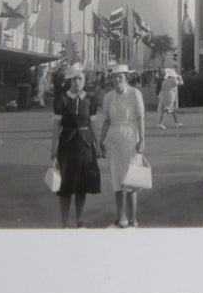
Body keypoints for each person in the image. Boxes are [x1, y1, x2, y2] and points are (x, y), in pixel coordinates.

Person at [50, 62, 101, 228]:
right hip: (67, 145)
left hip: (86, 145)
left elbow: (93, 124)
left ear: (84, 80)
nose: (76, 82)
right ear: (69, 82)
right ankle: (64, 223)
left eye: (79, 79)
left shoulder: (90, 99)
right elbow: (56, 126)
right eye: (73, 80)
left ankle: (80, 221)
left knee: (82, 185)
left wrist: (98, 145)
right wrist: (53, 148)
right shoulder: (62, 99)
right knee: (65, 185)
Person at [98, 64, 145, 228]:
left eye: (120, 77)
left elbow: (140, 118)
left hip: (131, 136)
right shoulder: (108, 97)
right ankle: (121, 217)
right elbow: (106, 121)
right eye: (114, 77)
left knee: (131, 176)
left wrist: (142, 139)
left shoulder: (134, 94)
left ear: (126, 78)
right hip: (114, 138)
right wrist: (101, 142)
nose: (117, 80)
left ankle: (133, 218)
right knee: (117, 178)